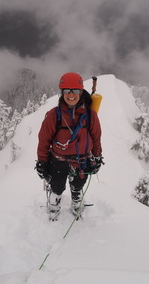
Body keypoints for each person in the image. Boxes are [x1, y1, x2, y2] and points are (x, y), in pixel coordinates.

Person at [35, 72, 103, 220]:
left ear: (80, 92)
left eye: (75, 91)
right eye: (67, 91)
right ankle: (54, 202)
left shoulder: (90, 115)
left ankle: (76, 200)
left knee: (78, 185)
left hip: (82, 160)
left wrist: (97, 156)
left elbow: (96, 137)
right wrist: (42, 161)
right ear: (62, 93)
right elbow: (44, 140)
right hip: (58, 160)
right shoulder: (54, 115)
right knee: (57, 186)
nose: (71, 95)